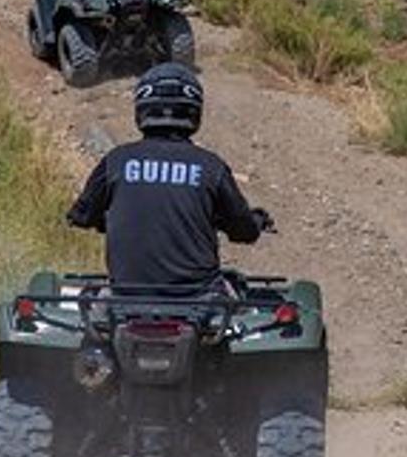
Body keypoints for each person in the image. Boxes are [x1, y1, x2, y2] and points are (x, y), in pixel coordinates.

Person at [66, 63, 272, 288]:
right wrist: (257, 220)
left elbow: (81, 216)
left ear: (142, 109)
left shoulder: (116, 161)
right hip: (199, 300)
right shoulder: (211, 167)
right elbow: (244, 231)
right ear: (194, 111)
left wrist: (106, 219)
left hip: (125, 299)